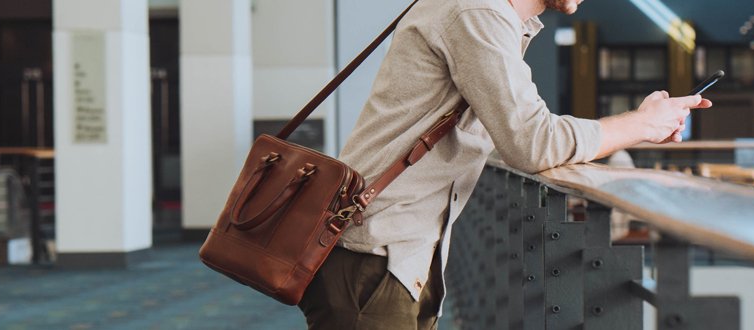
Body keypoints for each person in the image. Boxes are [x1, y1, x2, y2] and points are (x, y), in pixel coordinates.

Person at [297, 0, 712, 328]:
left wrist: (643, 125)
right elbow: (532, 143)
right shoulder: (477, 12)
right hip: (373, 258)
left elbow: (504, 138)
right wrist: (641, 124)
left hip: (401, 254)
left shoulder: (496, 19)